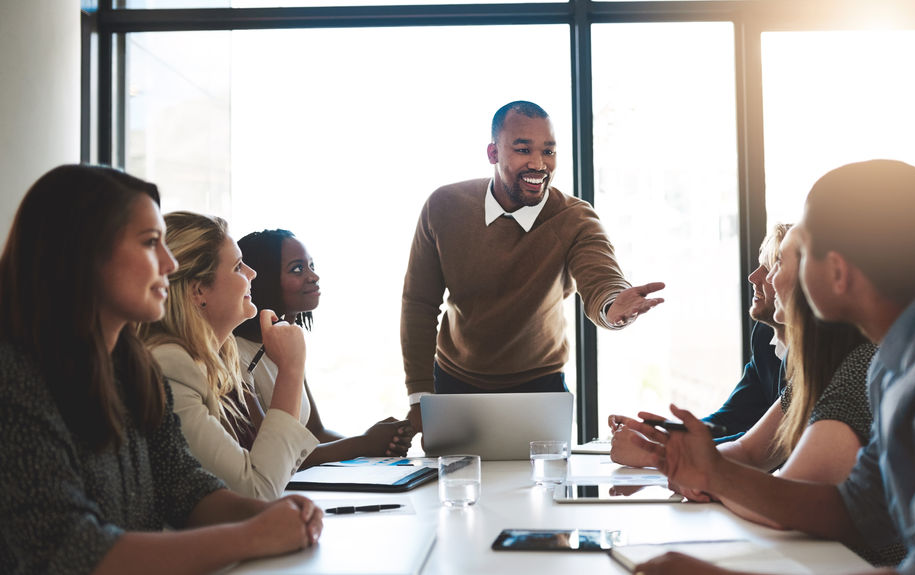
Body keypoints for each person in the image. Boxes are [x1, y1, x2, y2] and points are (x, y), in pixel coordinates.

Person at [639, 160, 915, 574]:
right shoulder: (899, 359)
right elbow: (856, 509)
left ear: (838, 272)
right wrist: (715, 473)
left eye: (799, 254)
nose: (773, 277)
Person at [0, 165, 321, 574]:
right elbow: (71, 551)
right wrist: (255, 534)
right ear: (83, 254)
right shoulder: (14, 381)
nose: (169, 263)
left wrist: (275, 514)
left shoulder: (133, 370)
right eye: (151, 243)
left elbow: (186, 488)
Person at [401, 100, 665, 432]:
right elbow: (419, 304)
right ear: (493, 153)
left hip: (540, 388)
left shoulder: (574, 218)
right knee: (454, 468)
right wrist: (419, 397)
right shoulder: (444, 206)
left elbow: (601, 276)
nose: (539, 164)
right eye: (523, 150)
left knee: (546, 469)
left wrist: (612, 306)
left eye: (548, 152)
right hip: (454, 384)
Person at [607, 224, 790, 463]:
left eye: (771, 267)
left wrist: (660, 451)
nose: (753, 277)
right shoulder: (765, 335)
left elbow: (763, 447)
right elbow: (732, 419)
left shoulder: (819, 360)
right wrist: (659, 434)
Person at [234, 228, 414, 465]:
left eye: (311, 266)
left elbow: (315, 433)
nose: (313, 276)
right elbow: (269, 454)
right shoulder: (236, 354)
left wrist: (376, 443)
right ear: (263, 278)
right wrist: (364, 443)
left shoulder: (287, 345)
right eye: (297, 269)